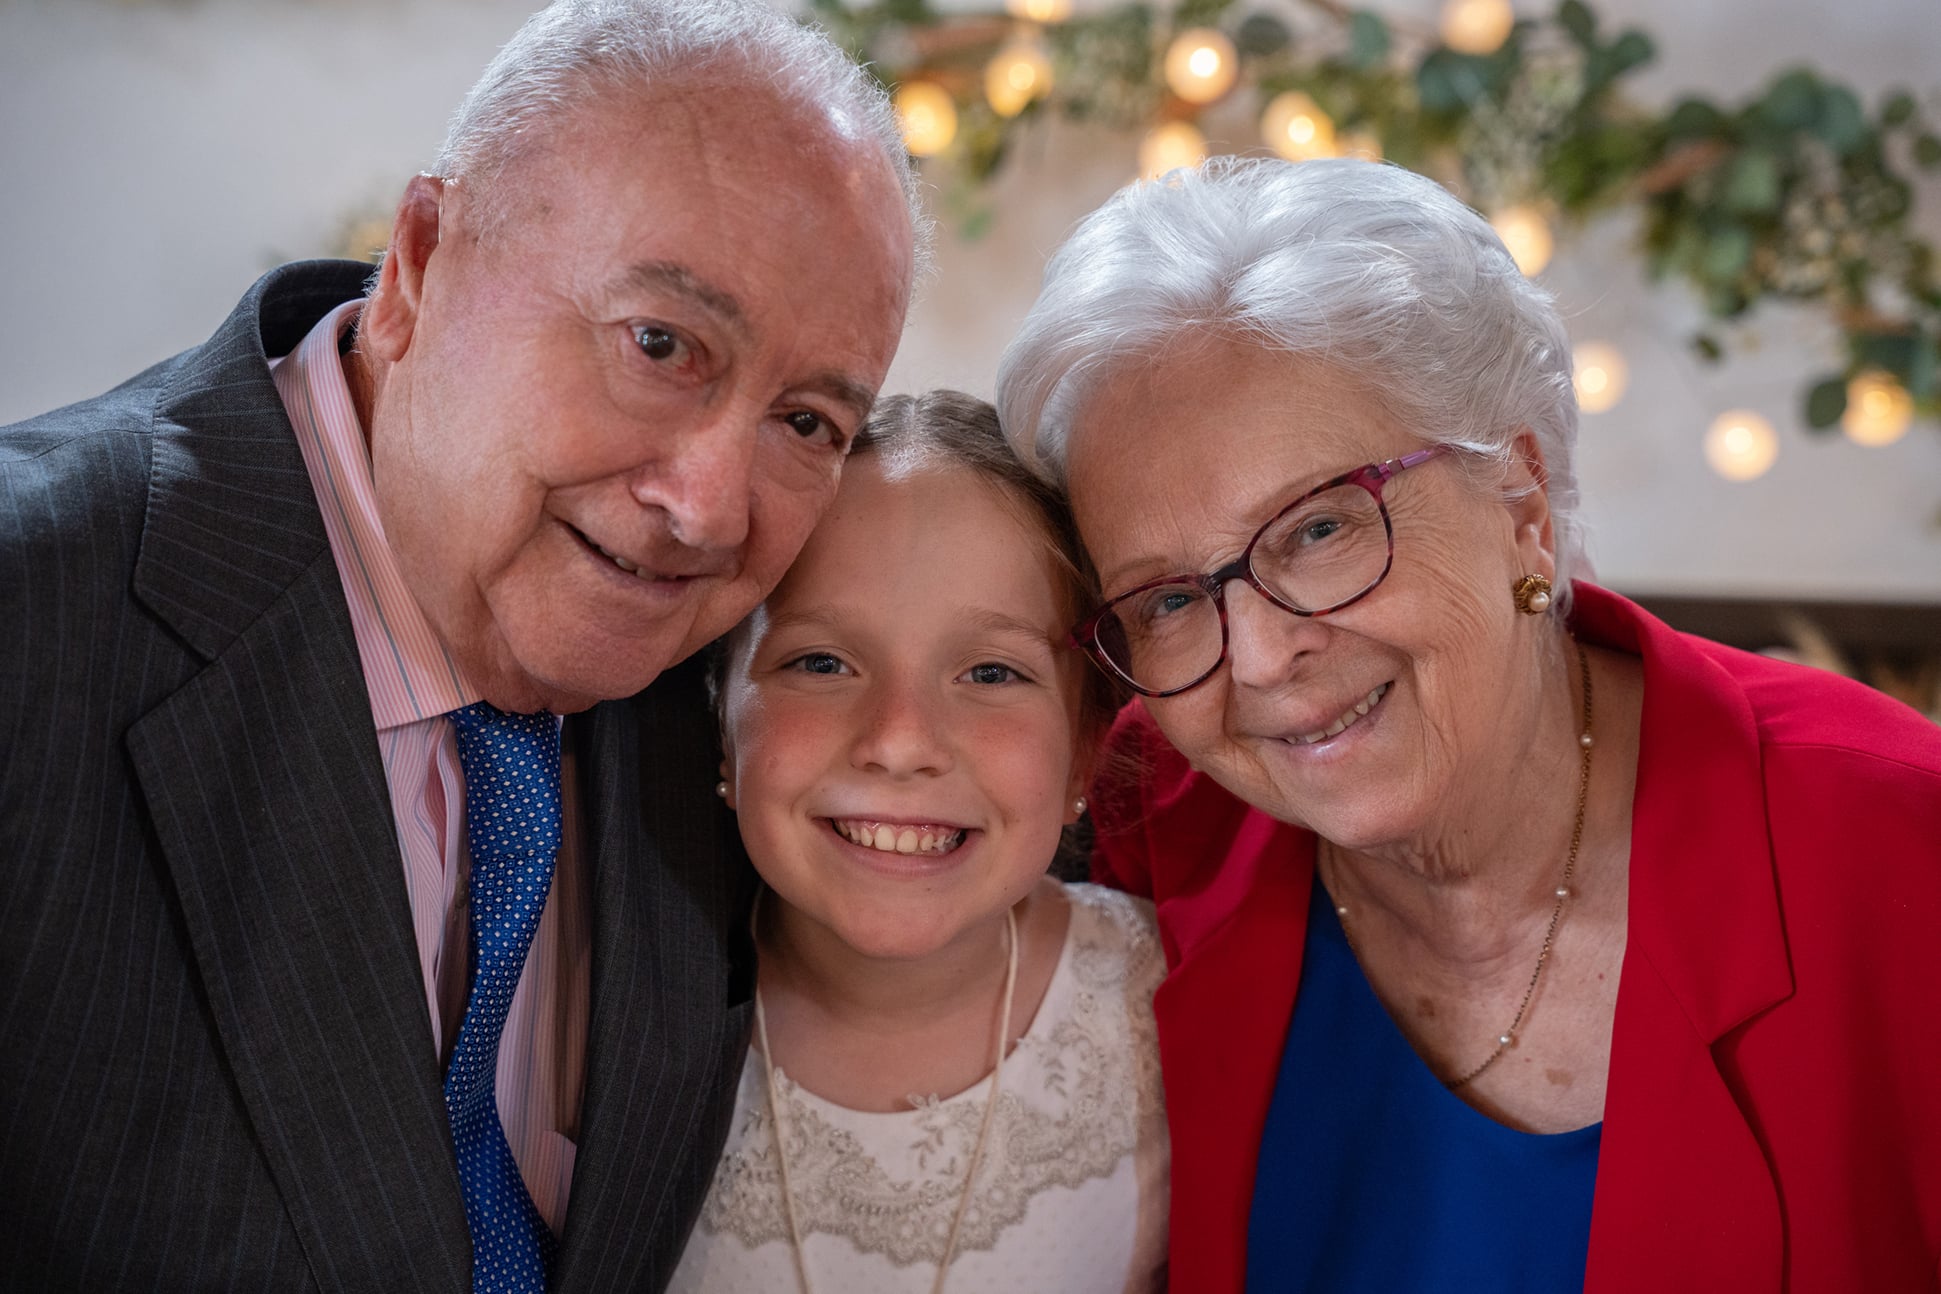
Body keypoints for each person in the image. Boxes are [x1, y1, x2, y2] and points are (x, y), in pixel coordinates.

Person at [0, 1, 922, 1289]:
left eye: (809, 421)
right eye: (661, 344)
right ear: (422, 264)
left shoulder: (764, 677)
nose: (710, 509)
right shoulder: (30, 610)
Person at [994, 157, 1941, 1292]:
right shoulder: (1145, 837)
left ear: (1520, 504)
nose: (1259, 656)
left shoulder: (1896, 848)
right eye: (1166, 600)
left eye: (1318, 531)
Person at [667, 392, 1169, 1293]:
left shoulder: (1172, 1010)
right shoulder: (601, 1010)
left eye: (990, 672)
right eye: (821, 662)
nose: (899, 741)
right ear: (722, 724)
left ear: (1084, 750)